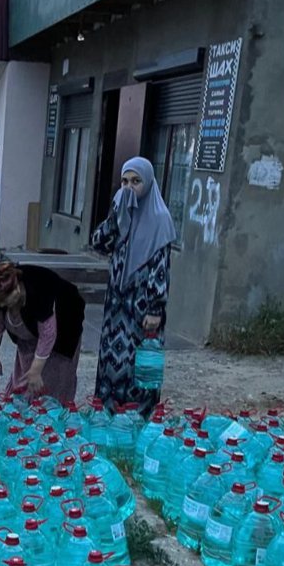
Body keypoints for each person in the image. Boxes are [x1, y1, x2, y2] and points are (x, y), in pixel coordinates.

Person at [90, 156, 177, 415]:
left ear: (148, 183)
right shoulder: (121, 215)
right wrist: (115, 218)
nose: (130, 188)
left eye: (136, 182)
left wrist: (155, 308)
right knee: (112, 363)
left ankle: (138, 422)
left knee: (139, 365)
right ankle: (108, 417)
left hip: (142, 310)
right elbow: (98, 244)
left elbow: (161, 269)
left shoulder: (159, 219)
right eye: (125, 182)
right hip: (116, 309)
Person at [0, 259, 86, 406]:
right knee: (25, 375)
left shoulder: (39, 292)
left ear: (17, 289)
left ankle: (51, 416)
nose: (1, 305)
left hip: (65, 321)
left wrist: (36, 370)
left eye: (5, 301)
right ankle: (24, 410)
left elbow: (48, 335)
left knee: (50, 381)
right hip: (31, 330)